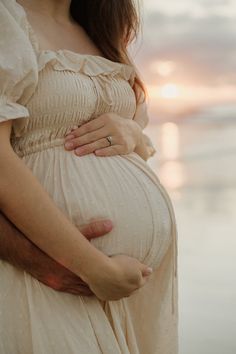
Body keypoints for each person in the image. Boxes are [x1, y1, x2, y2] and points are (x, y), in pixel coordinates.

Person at [0, 0, 178, 353]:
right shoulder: (6, 18)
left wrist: (130, 131)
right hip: (53, 279)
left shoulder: (101, 32)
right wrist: (89, 265)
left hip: (127, 291)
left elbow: (137, 131)